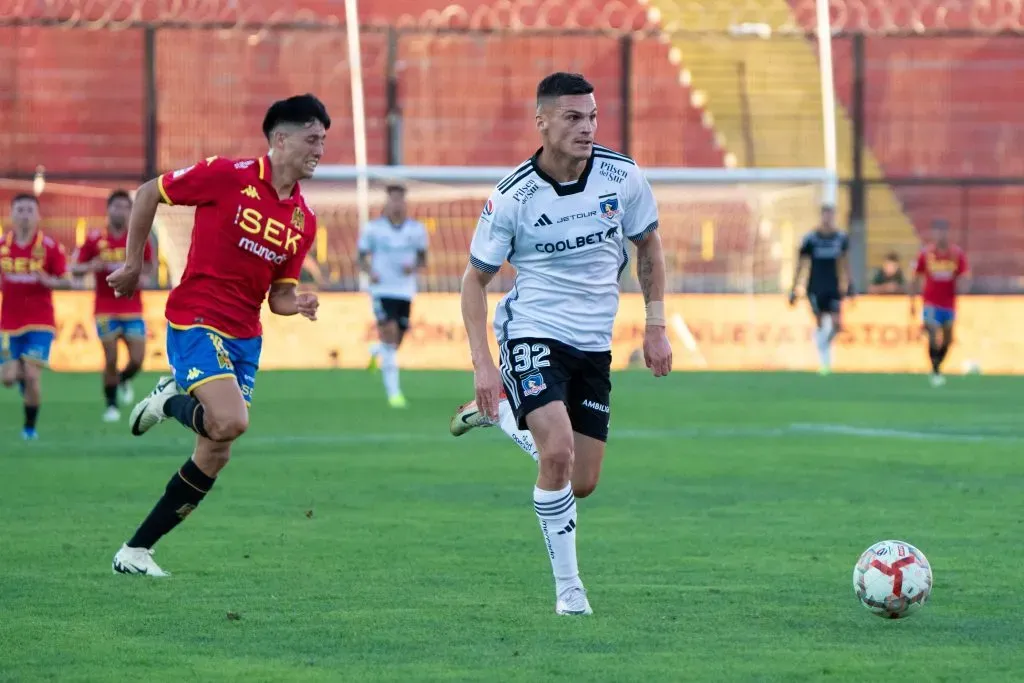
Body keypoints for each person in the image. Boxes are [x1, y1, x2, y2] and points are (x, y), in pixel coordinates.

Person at [450, 72, 672, 616]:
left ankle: (504, 416)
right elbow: (473, 282)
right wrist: (483, 364)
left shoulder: (622, 178)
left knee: (582, 480)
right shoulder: (512, 198)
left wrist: (656, 323)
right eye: (573, 117)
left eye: (592, 116)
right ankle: (570, 592)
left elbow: (649, 245)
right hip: (532, 333)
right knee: (556, 454)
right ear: (542, 122)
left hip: (593, 345)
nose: (587, 127)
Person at [106, 94, 328, 576]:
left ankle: (136, 550)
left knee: (217, 448)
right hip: (197, 316)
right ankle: (169, 401)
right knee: (231, 420)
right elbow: (148, 193)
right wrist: (131, 265)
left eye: (324, 141)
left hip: (246, 334)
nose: (320, 149)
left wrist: (300, 302)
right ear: (280, 139)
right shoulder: (229, 175)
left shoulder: (302, 220)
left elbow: (279, 296)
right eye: (312, 139)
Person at [71, 190, 155, 422]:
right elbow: (75, 268)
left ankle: (123, 379)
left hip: (132, 306)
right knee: (110, 357)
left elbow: (149, 266)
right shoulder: (94, 239)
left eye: (124, 207)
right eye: (115, 206)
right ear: (108, 210)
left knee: (138, 359)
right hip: (105, 307)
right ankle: (111, 405)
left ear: (130, 211)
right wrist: (94, 265)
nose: (119, 211)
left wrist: (143, 278)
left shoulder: (139, 236)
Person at [0, 194, 67, 440]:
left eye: (30, 210)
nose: (25, 214)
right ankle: (20, 381)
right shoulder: (2, 246)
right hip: (8, 322)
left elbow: (66, 279)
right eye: (20, 209)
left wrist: (49, 281)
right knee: (7, 378)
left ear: (38, 215)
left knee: (31, 375)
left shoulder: (49, 246)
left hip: (40, 321)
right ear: (11, 214)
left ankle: (29, 428)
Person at [357, 184, 428, 407]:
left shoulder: (416, 230)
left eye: (400, 199)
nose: (396, 204)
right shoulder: (373, 229)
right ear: (386, 203)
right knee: (388, 333)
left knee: (395, 341)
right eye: (392, 199)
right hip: (381, 290)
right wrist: (370, 273)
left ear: (405, 203)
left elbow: (423, 259)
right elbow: (360, 257)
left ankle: (376, 351)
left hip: (405, 291)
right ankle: (394, 394)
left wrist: (414, 267)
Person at [788, 205, 852, 374]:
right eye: (825, 215)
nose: (827, 218)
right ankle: (824, 362)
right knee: (820, 322)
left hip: (833, 286)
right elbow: (801, 264)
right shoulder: (810, 239)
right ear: (821, 216)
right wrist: (794, 288)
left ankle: (823, 346)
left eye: (830, 215)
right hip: (815, 287)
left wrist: (849, 284)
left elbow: (844, 262)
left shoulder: (840, 238)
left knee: (837, 324)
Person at [909, 219, 969, 386]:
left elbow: (964, 274)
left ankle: (937, 365)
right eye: (937, 232)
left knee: (948, 338)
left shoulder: (956, 254)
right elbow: (915, 277)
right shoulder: (926, 254)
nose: (940, 235)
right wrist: (912, 302)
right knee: (934, 334)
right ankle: (935, 370)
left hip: (949, 303)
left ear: (947, 234)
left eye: (943, 232)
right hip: (930, 302)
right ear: (933, 234)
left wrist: (964, 283)